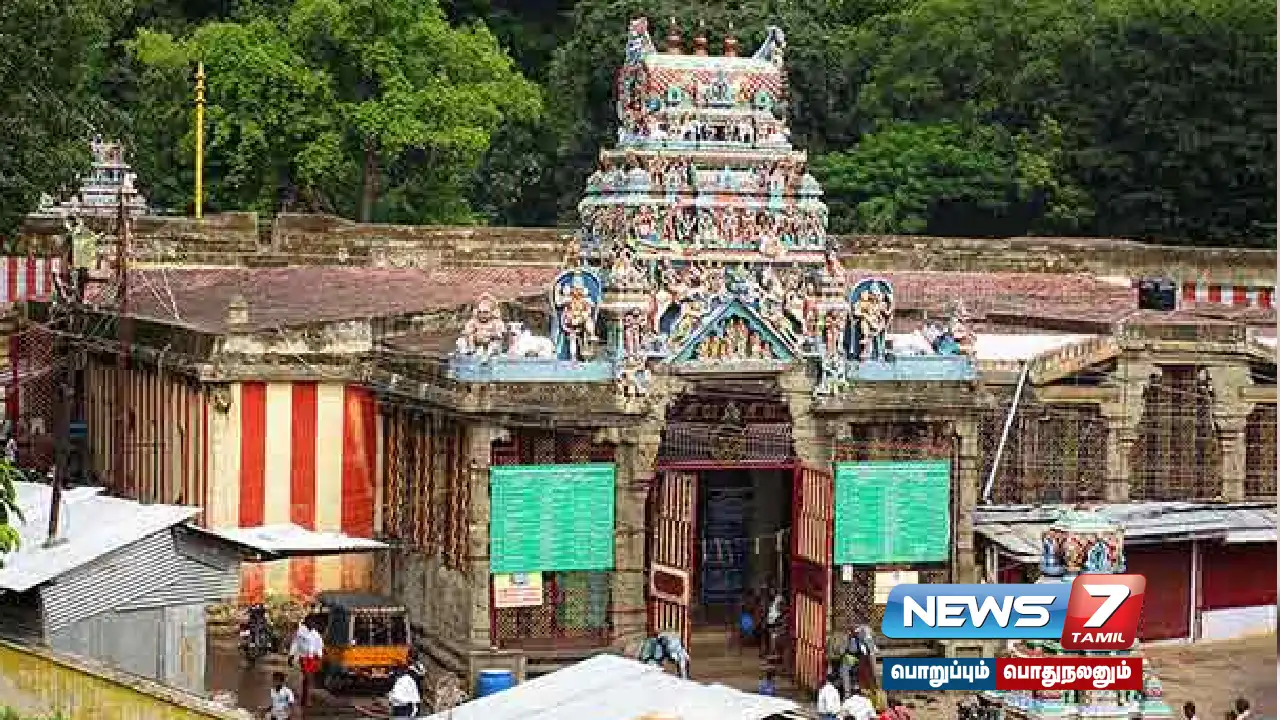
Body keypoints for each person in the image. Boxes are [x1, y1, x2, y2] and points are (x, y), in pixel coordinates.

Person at [288, 618, 324, 707]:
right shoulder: (300, 632)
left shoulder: (316, 634)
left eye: (314, 623)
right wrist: (291, 655)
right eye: (310, 622)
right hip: (303, 657)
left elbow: (319, 646)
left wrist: (319, 657)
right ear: (307, 622)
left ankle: (305, 698)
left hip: (313, 658)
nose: (312, 624)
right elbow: (295, 644)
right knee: (308, 676)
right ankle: (306, 700)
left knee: (308, 678)